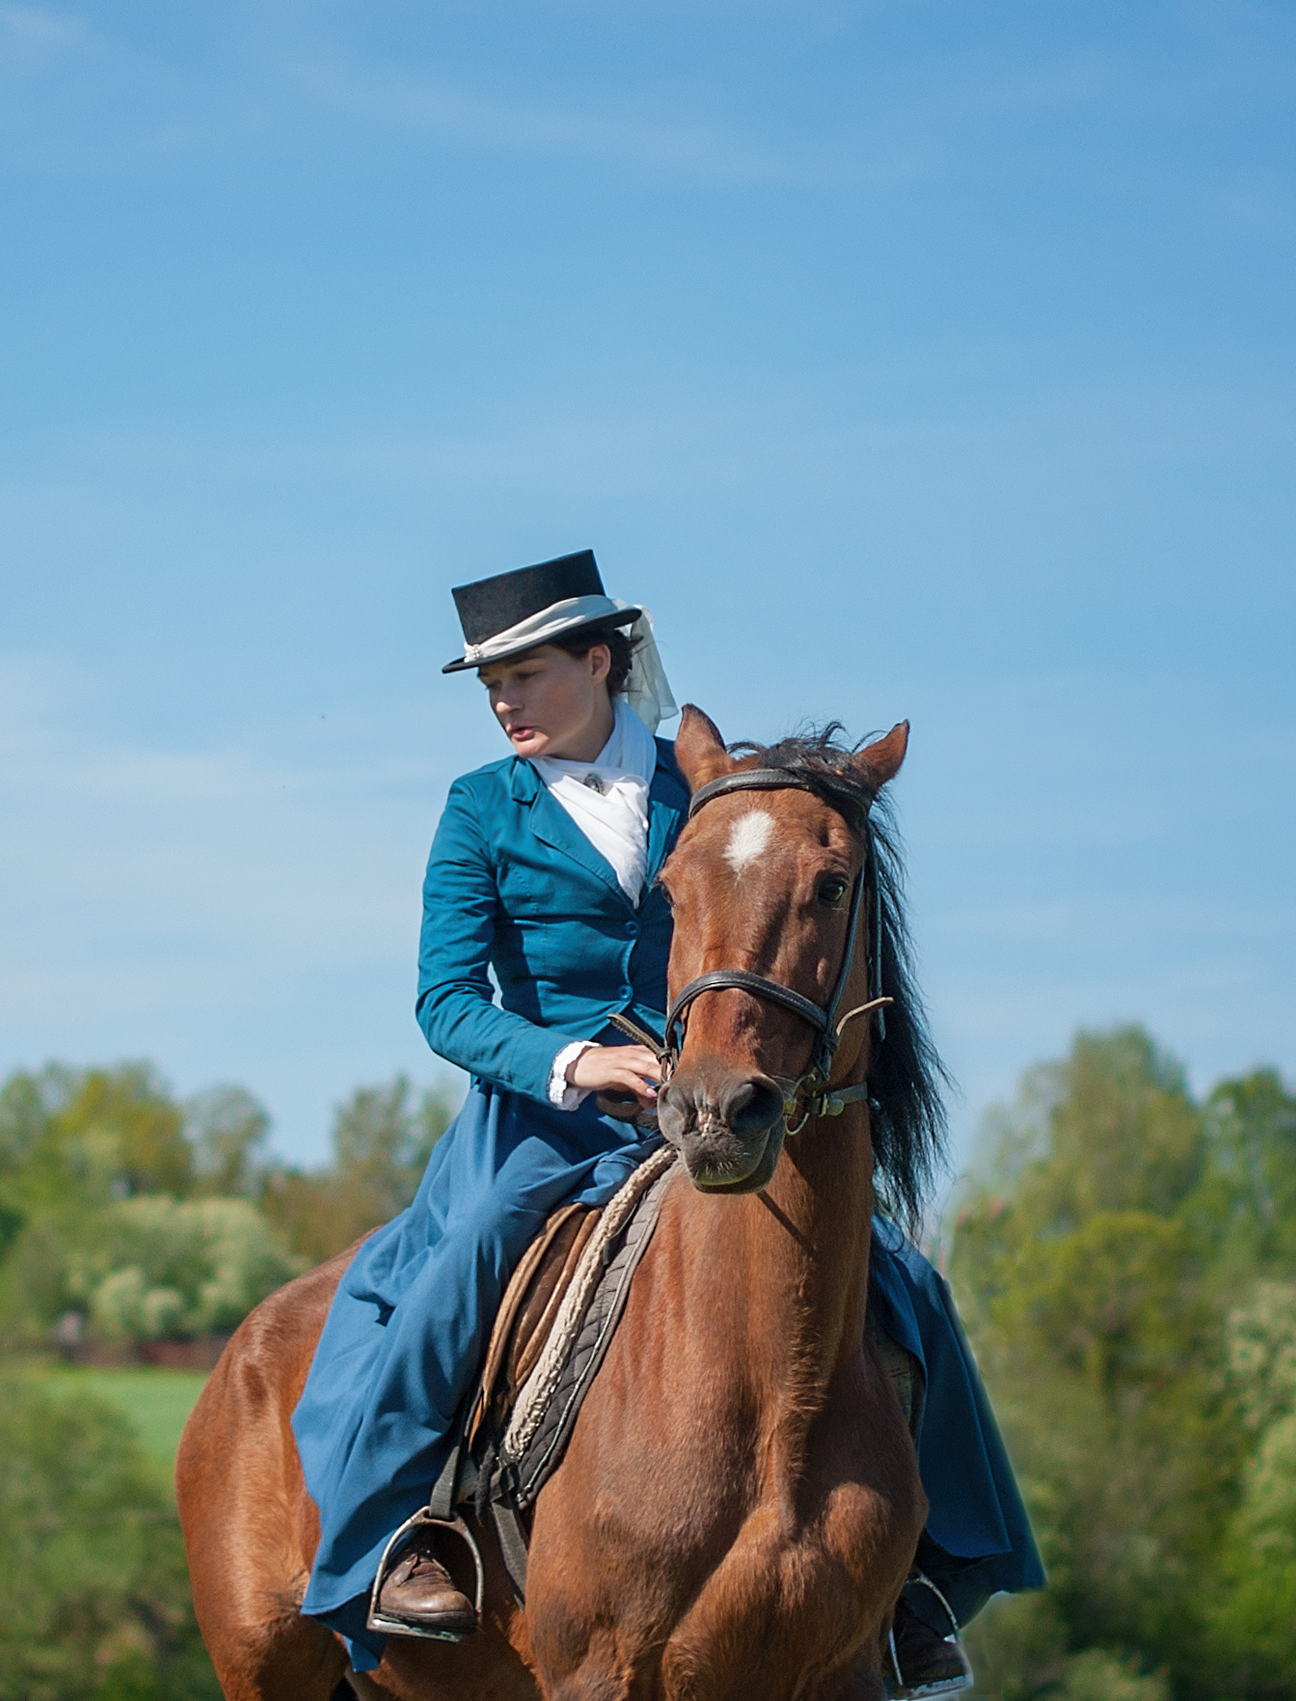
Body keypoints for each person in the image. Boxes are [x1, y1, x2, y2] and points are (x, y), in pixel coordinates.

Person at [288, 550, 1042, 1692]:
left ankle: (928, 1574)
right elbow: (445, 1001)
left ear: (601, 660)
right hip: (546, 1120)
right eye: (489, 684)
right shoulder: (480, 807)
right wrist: (574, 1059)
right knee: (479, 1243)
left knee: (898, 1277)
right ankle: (402, 1537)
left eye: (525, 675)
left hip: (713, 1098)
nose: (503, 703)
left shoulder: (713, 795)